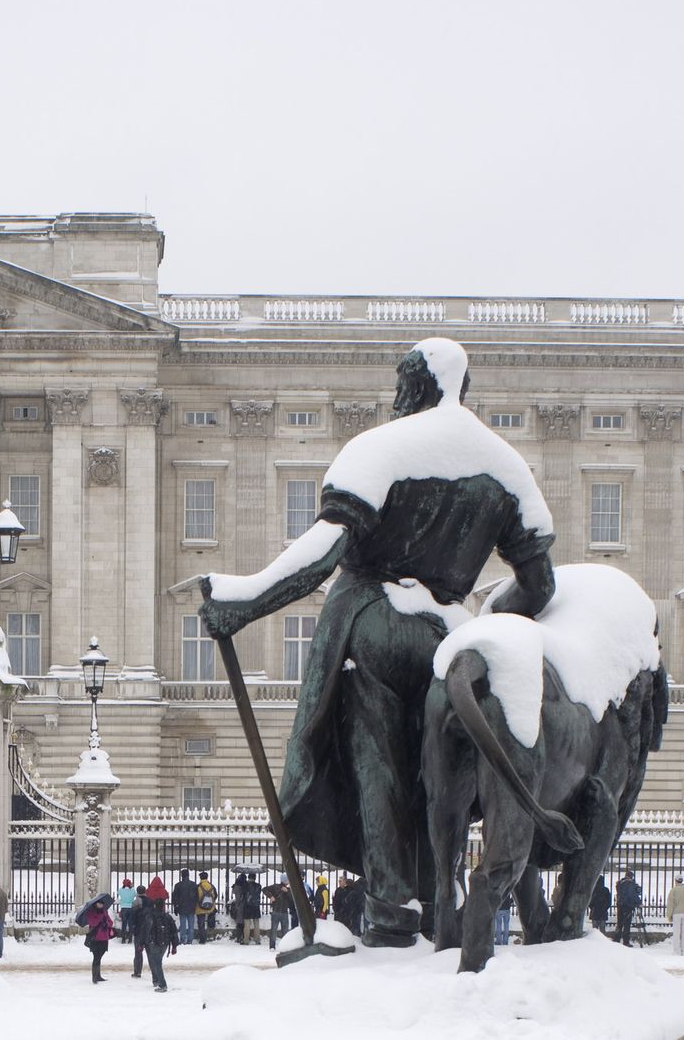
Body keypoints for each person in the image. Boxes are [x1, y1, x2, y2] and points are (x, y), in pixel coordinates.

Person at [200, 338, 556, 946]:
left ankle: (392, 913)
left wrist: (245, 602)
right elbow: (540, 585)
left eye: (400, 387)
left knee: (379, 766)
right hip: (447, 635)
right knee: (436, 778)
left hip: (375, 619)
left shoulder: (382, 450)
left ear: (417, 387)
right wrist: (483, 620)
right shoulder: (504, 467)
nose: (395, 399)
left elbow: (324, 556)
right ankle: (442, 905)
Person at [139, 890, 180, 993]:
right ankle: (157, 980)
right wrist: (174, 946)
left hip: (152, 943)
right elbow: (174, 932)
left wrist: (141, 943)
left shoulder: (150, 917)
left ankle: (161, 983)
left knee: (156, 963)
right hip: (164, 943)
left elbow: (145, 931)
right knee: (157, 962)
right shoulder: (168, 917)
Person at [82, 894, 114, 984]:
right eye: (99, 904)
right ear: (96, 904)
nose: (101, 905)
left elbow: (110, 922)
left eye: (102, 904)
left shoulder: (104, 911)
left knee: (100, 956)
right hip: (95, 938)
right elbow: (93, 922)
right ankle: (94, 976)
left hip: (104, 937)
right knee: (96, 957)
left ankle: (98, 975)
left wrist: (107, 924)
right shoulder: (91, 912)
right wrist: (101, 919)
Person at [665, 877, 684, 956]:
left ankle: (676, 950)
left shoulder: (673, 890)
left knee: (676, 932)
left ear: (676, 881)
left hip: (677, 913)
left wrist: (669, 915)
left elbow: (671, 904)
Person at [172, 869, 198, 945]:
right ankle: (190, 939)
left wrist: (175, 907)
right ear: (188, 875)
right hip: (191, 907)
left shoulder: (178, 885)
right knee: (191, 925)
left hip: (181, 907)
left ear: (181, 876)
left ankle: (183, 939)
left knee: (183, 925)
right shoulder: (193, 884)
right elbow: (197, 896)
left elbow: (175, 897)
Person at [616, 871, 641, 947]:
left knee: (619, 923)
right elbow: (633, 895)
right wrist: (639, 903)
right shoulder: (631, 884)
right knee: (627, 924)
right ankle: (626, 941)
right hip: (628, 906)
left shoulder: (619, 883)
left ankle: (616, 939)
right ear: (632, 877)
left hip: (620, 905)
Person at [129, 891, 151, 976]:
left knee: (138, 952)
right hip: (148, 930)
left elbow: (132, 917)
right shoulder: (150, 901)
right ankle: (154, 972)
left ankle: (137, 971)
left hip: (138, 930)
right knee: (150, 953)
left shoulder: (136, 902)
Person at [195, 871, 217, 944]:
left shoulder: (198, 886)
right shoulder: (211, 886)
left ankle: (202, 939)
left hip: (200, 908)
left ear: (200, 878)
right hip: (210, 908)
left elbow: (196, 897)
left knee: (201, 924)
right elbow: (215, 896)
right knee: (210, 922)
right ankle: (210, 935)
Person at [241, 873, 262, 944]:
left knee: (247, 924)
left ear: (248, 877)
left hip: (247, 907)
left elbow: (243, 896)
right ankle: (257, 939)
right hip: (256, 906)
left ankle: (246, 940)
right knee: (256, 924)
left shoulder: (245, 885)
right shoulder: (259, 886)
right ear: (255, 878)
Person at [116, 878, 136, 943]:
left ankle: (123, 939)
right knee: (130, 924)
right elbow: (135, 894)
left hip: (123, 908)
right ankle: (130, 939)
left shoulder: (121, 890)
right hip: (131, 908)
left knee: (124, 924)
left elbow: (118, 892)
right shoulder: (132, 890)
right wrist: (132, 887)